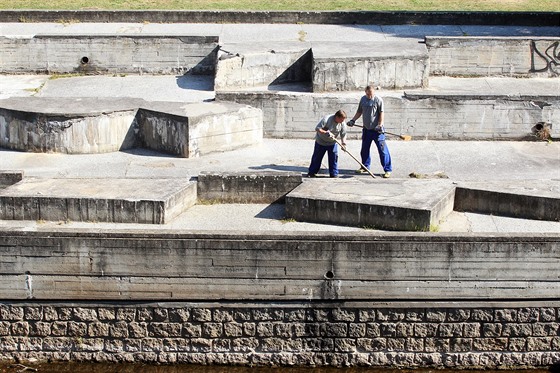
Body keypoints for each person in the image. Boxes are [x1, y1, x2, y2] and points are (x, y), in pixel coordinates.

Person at [347, 85, 392, 178]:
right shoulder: (363, 99)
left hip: (377, 131)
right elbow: (359, 112)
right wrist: (353, 120)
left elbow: (381, 113)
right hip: (366, 130)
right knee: (364, 150)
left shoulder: (378, 100)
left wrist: (380, 124)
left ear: (373, 92)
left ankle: (387, 170)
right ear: (365, 92)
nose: (369, 96)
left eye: (370, 94)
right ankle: (365, 166)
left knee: (383, 151)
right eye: (367, 94)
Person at [307, 110, 348, 178]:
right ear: (337, 117)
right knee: (317, 158)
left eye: (343, 120)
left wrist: (343, 143)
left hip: (332, 143)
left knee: (334, 158)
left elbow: (343, 134)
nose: (342, 121)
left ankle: (333, 173)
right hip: (321, 141)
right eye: (341, 120)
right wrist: (325, 132)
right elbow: (317, 128)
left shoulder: (342, 123)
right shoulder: (327, 119)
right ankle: (312, 172)